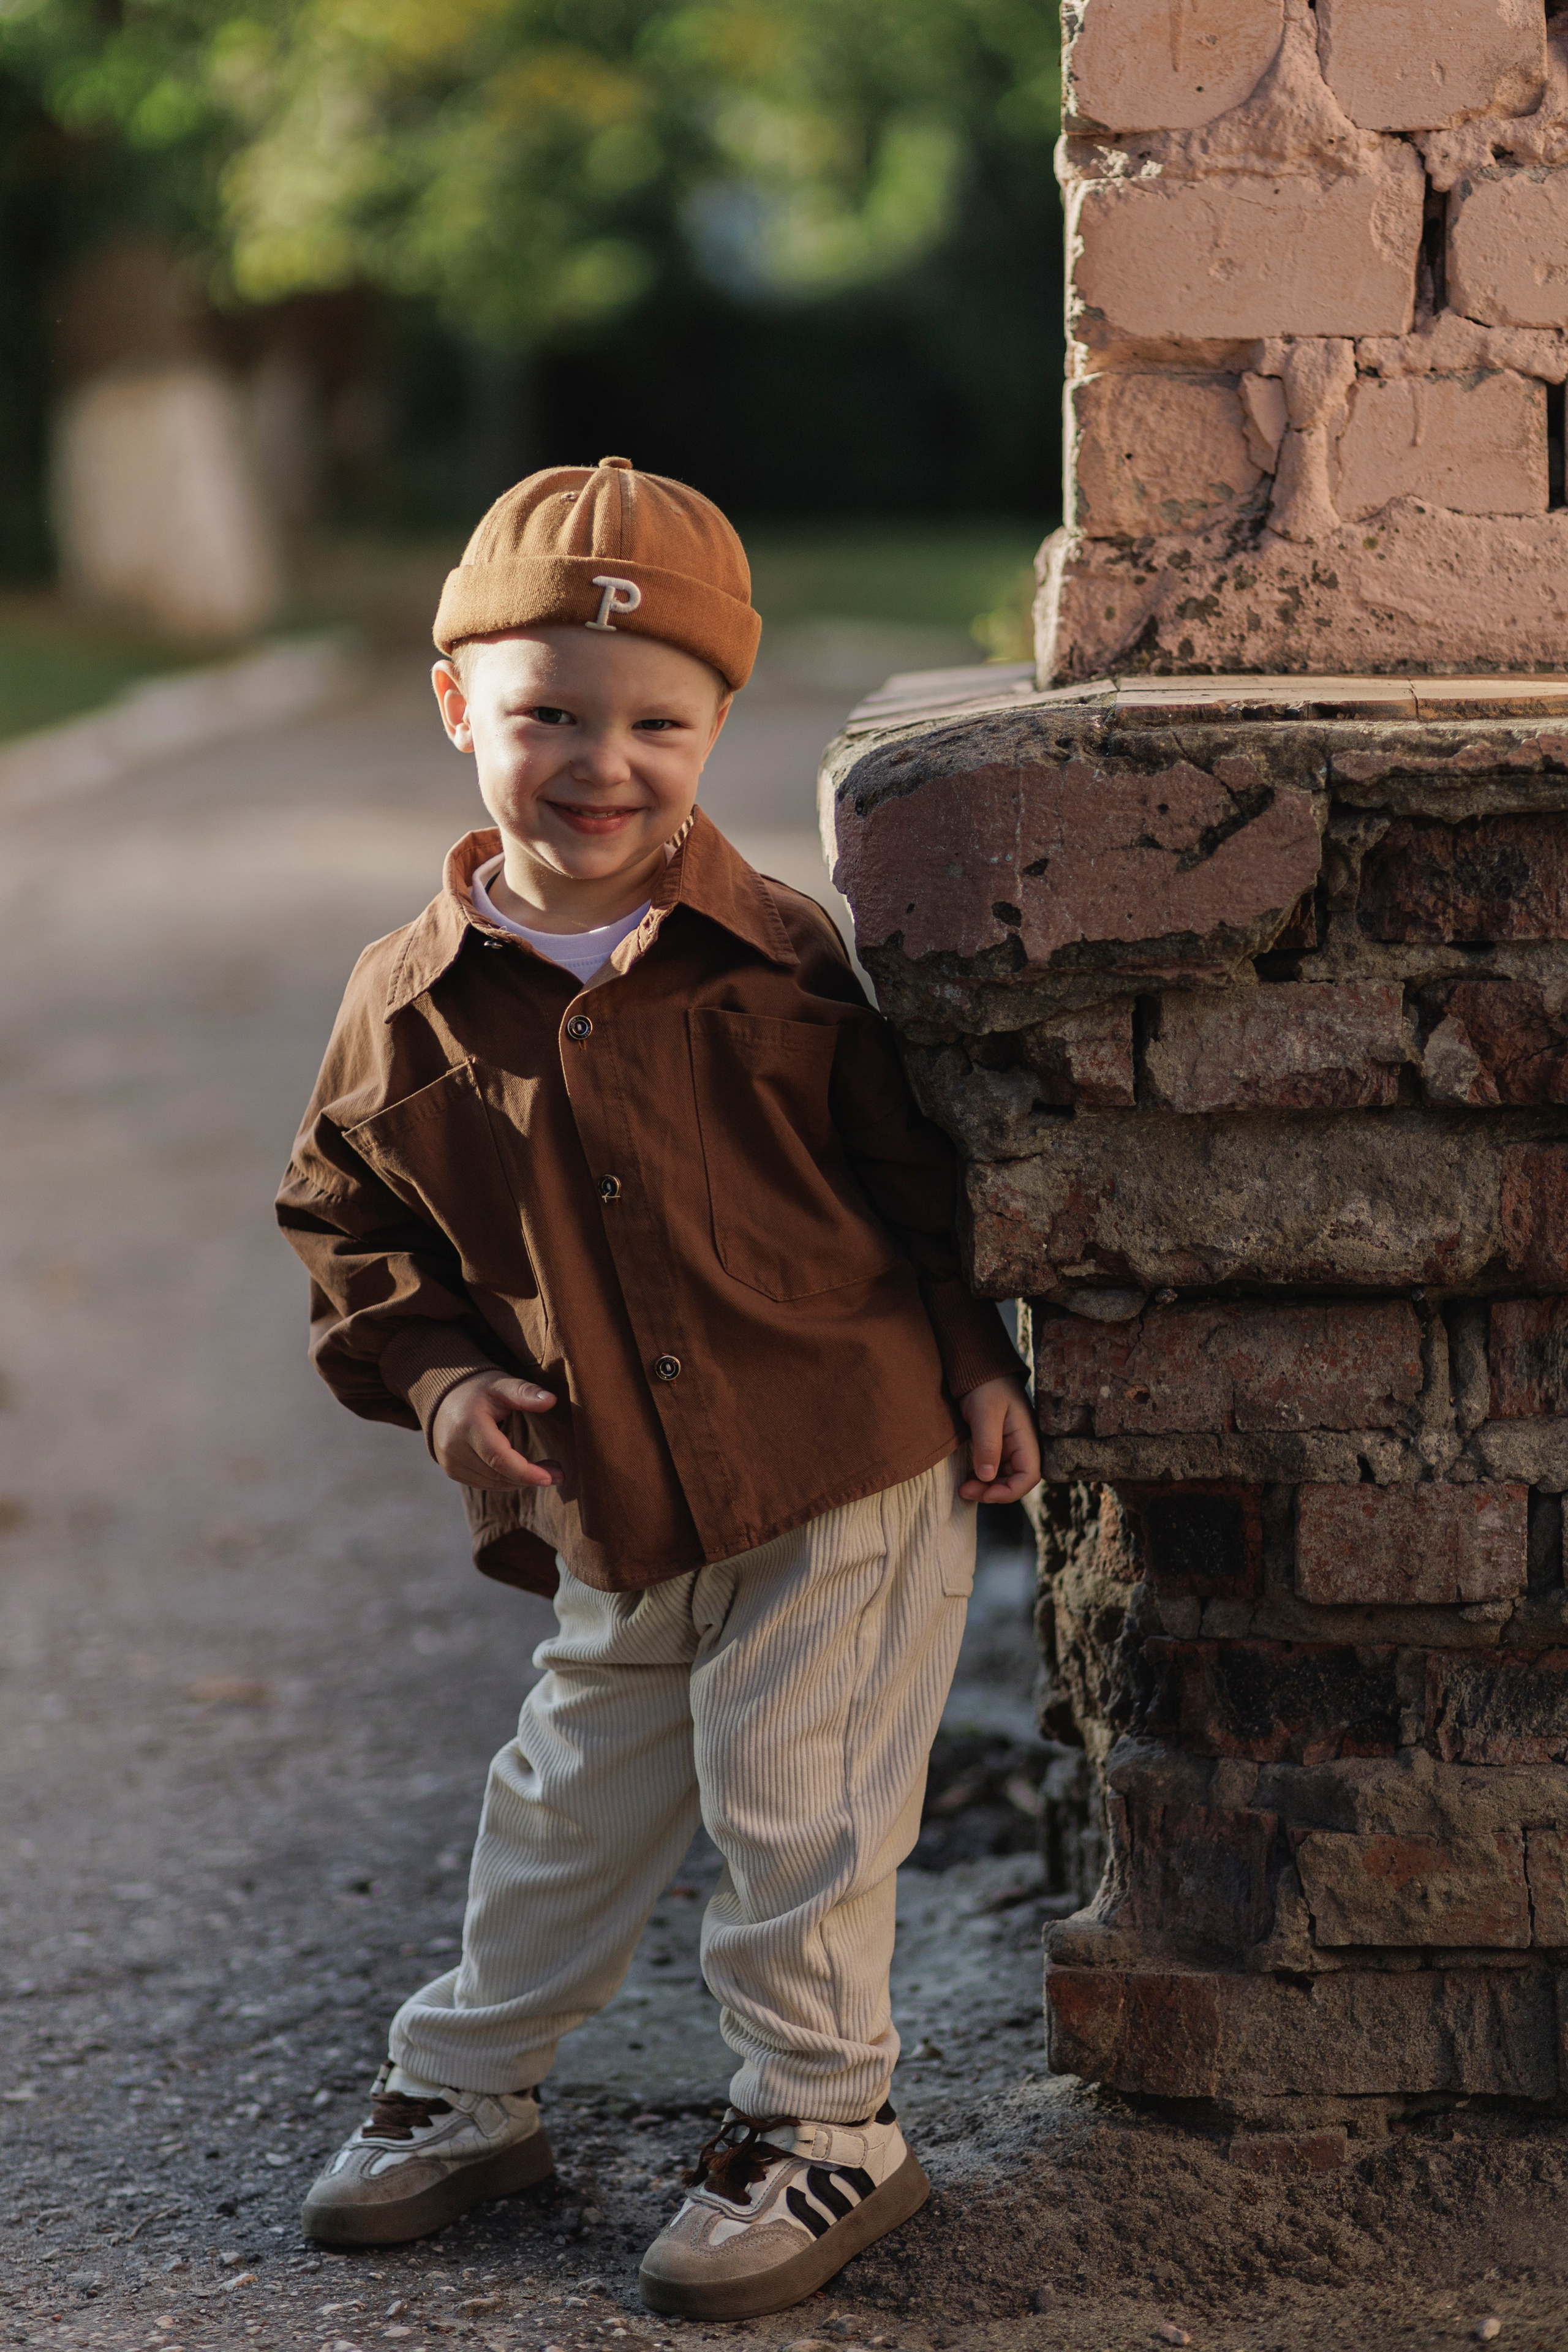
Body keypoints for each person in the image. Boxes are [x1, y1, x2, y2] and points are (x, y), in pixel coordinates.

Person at [275, 455, 1040, 2320]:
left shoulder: (773, 953)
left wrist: (970, 1359)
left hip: (844, 1451)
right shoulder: (410, 1000)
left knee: (796, 1801)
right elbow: (348, 1222)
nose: (598, 764)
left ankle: (824, 2125)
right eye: (547, 715)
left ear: (716, 726)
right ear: (460, 708)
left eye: (653, 723)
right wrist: (448, 1386)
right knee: (567, 1793)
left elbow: (906, 1174)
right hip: (613, 1481)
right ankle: (471, 2089)